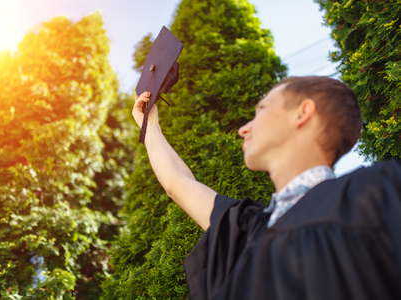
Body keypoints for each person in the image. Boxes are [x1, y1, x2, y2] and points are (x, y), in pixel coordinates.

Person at [132, 76, 401, 300]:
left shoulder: (376, 192)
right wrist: (150, 125)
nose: (243, 129)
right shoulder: (249, 230)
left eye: (261, 110)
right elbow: (178, 184)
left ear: (303, 113)